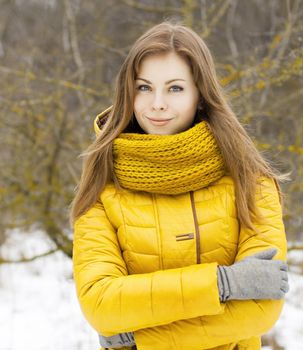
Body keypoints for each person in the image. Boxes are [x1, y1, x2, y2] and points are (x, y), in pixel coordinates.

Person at [70, 19, 290, 350]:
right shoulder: (102, 185)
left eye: (175, 88)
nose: (157, 103)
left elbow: (260, 309)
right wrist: (223, 284)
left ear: (201, 95)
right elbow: (101, 304)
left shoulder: (251, 180)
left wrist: (139, 337)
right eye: (144, 87)